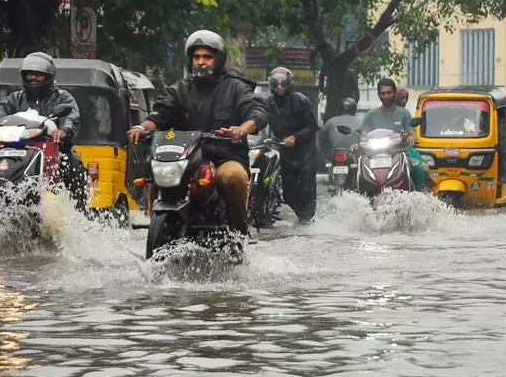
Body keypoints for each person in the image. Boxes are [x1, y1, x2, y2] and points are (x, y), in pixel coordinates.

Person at [126, 29, 268, 240]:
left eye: (207, 57)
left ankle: (237, 239)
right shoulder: (179, 90)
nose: (201, 62)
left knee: (237, 178)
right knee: (157, 178)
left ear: (218, 60)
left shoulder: (235, 87)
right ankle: (156, 227)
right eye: (197, 57)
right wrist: (141, 128)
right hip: (185, 161)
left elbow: (257, 111)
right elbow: (160, 114)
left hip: (223, 159)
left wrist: (242, 129)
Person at [0, 52, 85, 207]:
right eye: (29, 74)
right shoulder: (15, 98)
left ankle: (75, 208)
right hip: (13, 147)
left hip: (53, 148)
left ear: (48, 76)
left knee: (72, 162)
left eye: (38, 74)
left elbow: (71, 117)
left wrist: (63, 131)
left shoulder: (63, 97)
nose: (33, 77)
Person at [265, 66, 319, 224]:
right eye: (276, 83)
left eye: (283, 83)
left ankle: (308, 220)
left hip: (305, 153)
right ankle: (302, 216)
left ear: (289, 84)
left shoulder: (301, 100)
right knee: (288, 193)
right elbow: (259, 119)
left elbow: (313, 126)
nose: (279, 87)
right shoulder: (268, 103)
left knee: (307, 189)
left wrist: (295, 137)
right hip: (286, 152)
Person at [359, 77, 432, 191]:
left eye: (389, 93)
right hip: (373, 154)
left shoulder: (404, 113)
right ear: (378, 95)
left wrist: (412, 137)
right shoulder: (370, 115)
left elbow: (411, 130)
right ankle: (355, 195)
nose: (386, 96)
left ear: (394, 93)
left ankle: (423, 196)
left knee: (419, 168)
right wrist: (360, 141)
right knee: (356, 169)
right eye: (383, 93)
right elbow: (363, 135)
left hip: (400, 152)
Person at [319, 98, 361, 190]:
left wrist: (325, 157)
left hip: (334, 154)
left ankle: (333, 183)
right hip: (353, 154)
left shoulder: (330, 122)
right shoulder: (360, 121)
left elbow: (321, 140)